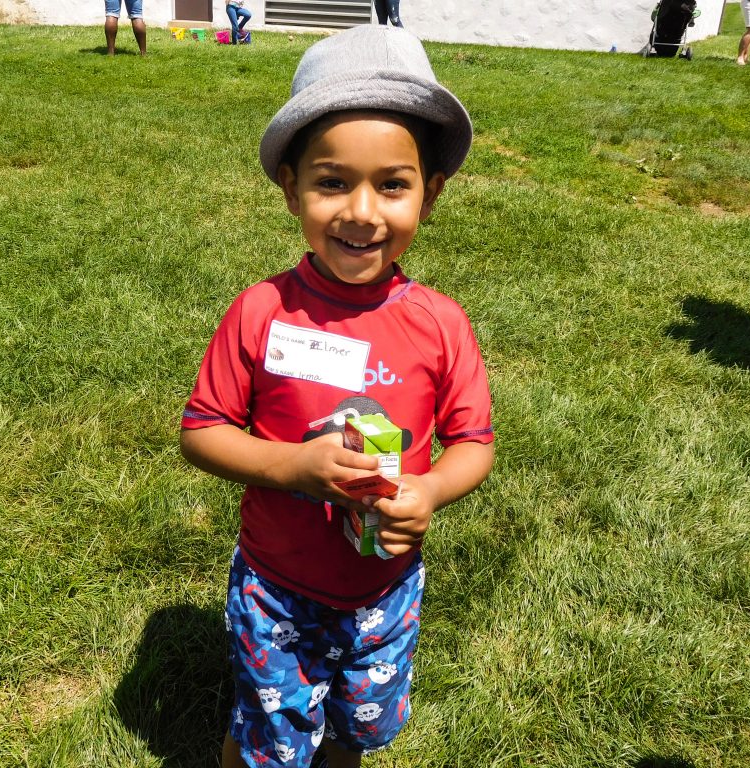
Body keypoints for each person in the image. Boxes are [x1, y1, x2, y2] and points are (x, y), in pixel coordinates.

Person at [180, 24, 494, 768]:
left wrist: (431, 491)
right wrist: (294, 467)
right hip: (277, 589)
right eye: (331, 181)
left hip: (386, 588)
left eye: (392, 184)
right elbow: (202, 431)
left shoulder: (439, 323)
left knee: (357, 731)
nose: (361, 211)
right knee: (267, 737)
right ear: (291, 188)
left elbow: (474, 442)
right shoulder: (262, 312)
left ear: (431, 191)